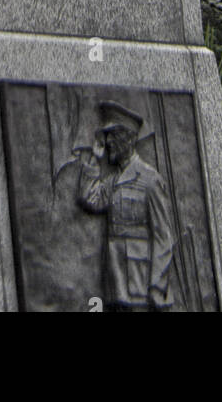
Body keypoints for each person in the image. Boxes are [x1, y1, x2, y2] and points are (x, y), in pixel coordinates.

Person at [74, 102, 176, 310]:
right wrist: (94, 161)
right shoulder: (114, 179)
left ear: (128, 138)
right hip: (115, 281)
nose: (108, 142)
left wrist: (157, 286)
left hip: (139, 282)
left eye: (112, 135)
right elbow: (89, 200)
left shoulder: (149, 179)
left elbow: (163, 236)